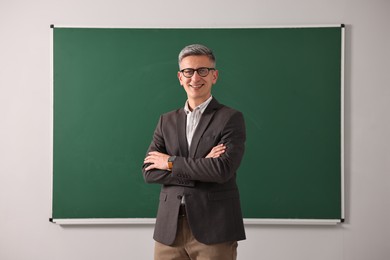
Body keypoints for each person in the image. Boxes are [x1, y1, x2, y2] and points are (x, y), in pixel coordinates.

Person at [142, 44, 246, 260]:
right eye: (188, 71)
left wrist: (170, 162)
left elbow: (221, 170)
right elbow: (150, 172)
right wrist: (201, 164)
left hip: (214, 228)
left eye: (203, 70)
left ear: (214, 75)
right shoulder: (166, 121)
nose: (195, 78)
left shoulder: (230, 118)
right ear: (180, 77)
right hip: (169, 230)